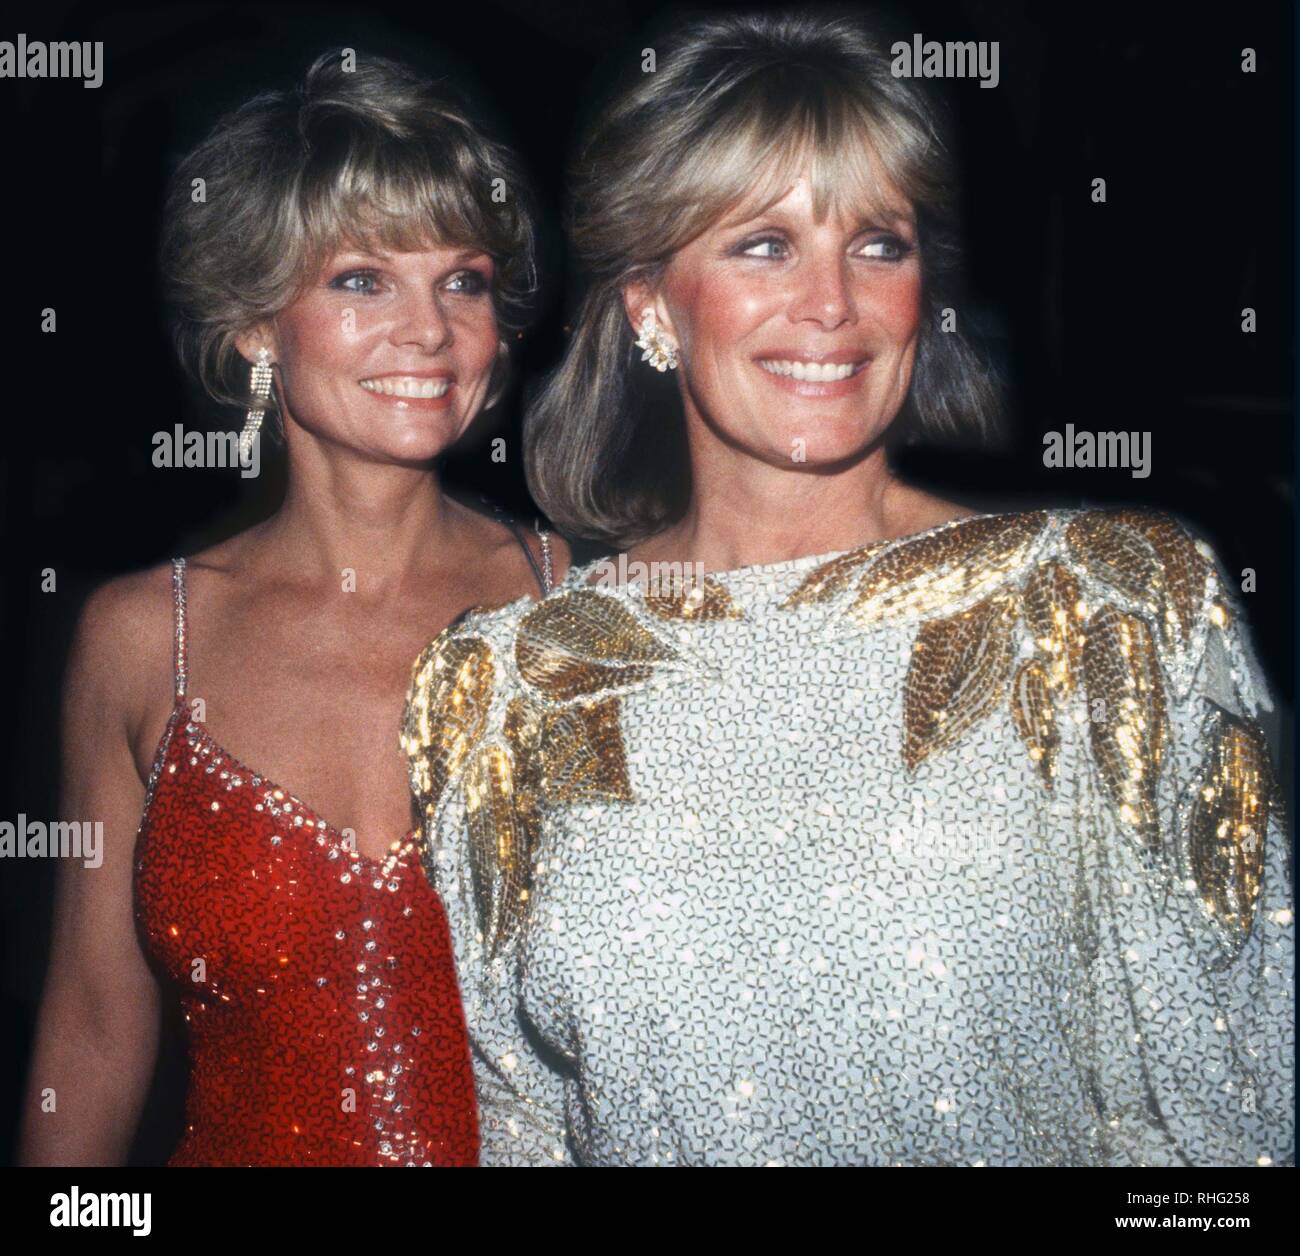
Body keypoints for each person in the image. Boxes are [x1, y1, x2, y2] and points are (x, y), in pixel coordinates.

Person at [403, 12, 1293, 1166]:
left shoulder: (1108, 605)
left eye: (879, 242)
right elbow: (517, 1125)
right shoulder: (503, 684)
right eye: (762, 244)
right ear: (650, 308)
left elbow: (1240, 1109)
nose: (833, 303)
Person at [21, 49, 564, 1166]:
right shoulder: (140, 639)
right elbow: (91, 1028)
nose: (428, 329)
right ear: (255, 324)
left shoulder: (581, 598)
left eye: (461, 279)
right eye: (362, 278)